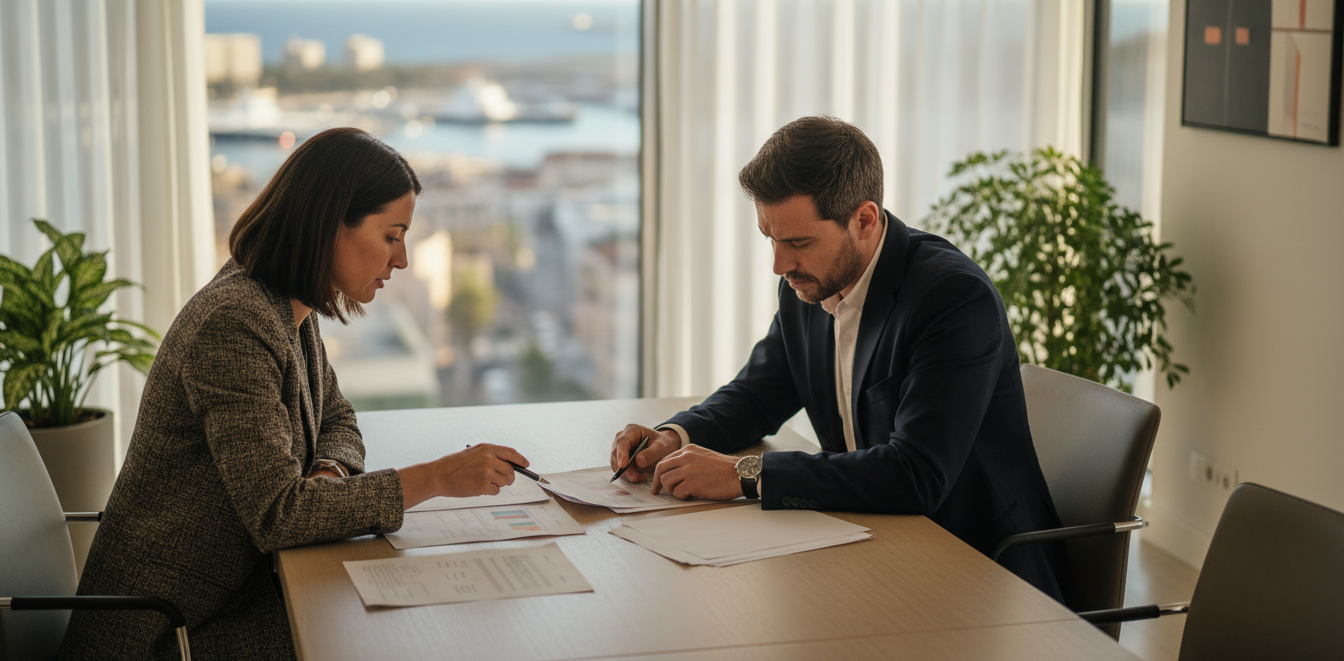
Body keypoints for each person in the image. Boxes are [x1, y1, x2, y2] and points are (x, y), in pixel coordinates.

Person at [60, 128, 529, 660]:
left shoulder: (288, 309)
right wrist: (439, 477)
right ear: (330, 227)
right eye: (392, 235)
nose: (402, 260)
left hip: (234, 596)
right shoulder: (236, 321)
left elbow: (339, 419)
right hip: (167, 635)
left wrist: (328, 475)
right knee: (390, 636)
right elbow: (280, 515)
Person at [609, 116, 1066, 600]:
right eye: (771, 238)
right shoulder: (809, 282)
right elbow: (757, 394)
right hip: (872, 543)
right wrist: (673, 436)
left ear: (864, 220)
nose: (779, 265)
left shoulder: (952, 299)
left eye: (798, 243)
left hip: (977, 572)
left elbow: (916, 475)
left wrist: (743, 475)